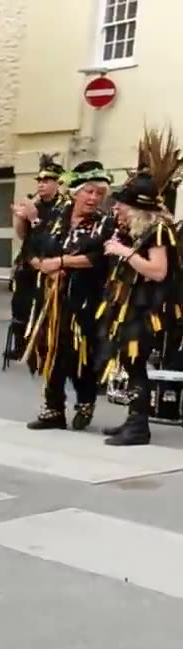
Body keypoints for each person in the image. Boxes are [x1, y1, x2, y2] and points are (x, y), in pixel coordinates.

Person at [96, 128, 183, 446]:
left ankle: (139, 426)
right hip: (133, 304)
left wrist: (125, 254)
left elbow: (158, 271)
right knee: (130, 361)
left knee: (136, 360)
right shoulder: (139, 230)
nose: (116, 209)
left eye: (121, 205)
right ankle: (133, 419)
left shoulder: (158, 231)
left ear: (138, 208)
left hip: (149, 309)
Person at [21, 161, 117, 431]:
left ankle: (85, 403)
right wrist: (44, 267)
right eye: (88, 191)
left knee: (79, 352)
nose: (93, 198)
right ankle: (53, 410)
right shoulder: (54, 218)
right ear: (76, 192)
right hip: (50, 298)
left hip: (84, 300)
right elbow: (32, 248)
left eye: (99, 193)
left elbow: (99, 258)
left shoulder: (103, 224)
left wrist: (62, 262)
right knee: (51, 350)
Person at [7, 155, 66, 361]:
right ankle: (20, 344)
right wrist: (19, 217)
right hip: (28, 259)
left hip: (48, 261)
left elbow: (50, 235)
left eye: (47, 181)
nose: (42, 185)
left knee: (42, 303)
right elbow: (23, 235)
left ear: (58, 182)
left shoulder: (63, 207)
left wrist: (33, 218)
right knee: (20, 302)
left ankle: (41, 346)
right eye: (40, 181)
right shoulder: (35, 201)